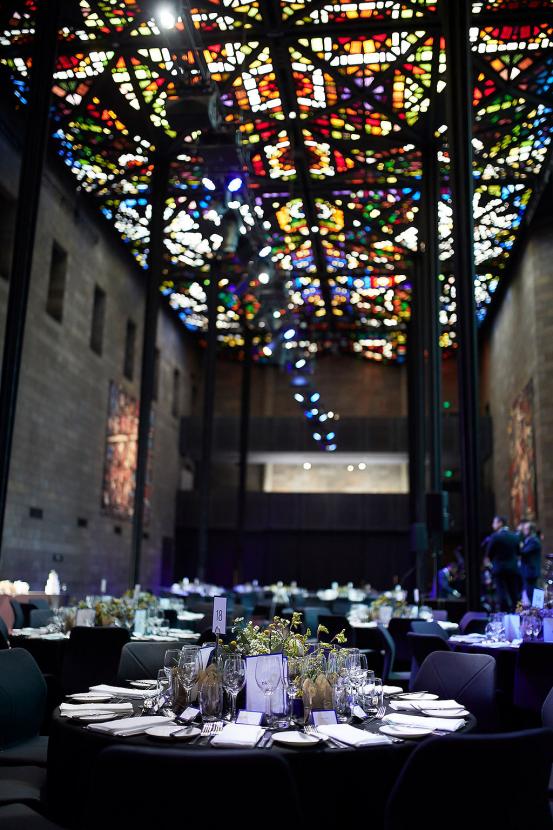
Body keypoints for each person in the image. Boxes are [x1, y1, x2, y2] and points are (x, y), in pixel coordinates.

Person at [486, 515, 521, 612]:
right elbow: (518, 552)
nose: (492, 525)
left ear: (500, 523)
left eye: (494, 522)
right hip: (513, 569)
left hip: (499, 569)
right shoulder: (515, 536)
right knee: (514, 593)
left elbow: (489, 554)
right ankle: (517, 613)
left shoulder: (495, 536)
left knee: (501, 592)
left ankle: (504, 613)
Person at [519, 520, 542, 604]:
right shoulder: (528, 540)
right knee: (529, 592)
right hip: (527, 571)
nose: (524, 530)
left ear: (531, 530)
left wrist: (518, 546)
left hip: (531, 571)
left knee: (533, 592)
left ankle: (537, 609)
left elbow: (524, 552)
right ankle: (535, 608)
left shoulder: (534, 541)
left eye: (526, 529)